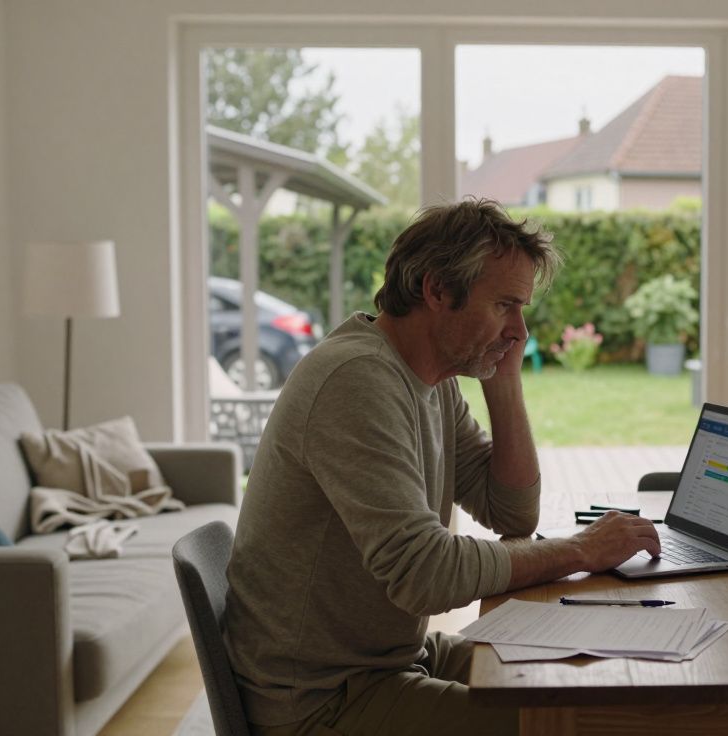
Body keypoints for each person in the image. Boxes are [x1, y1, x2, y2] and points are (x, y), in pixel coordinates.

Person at [224, 198, 662, 736]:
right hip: (322, 699)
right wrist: (579, 550)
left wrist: (505, 381)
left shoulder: (432, 381)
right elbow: (424, 575)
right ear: (436, 290)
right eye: (505, 306)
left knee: (583, 670)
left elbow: (511, 511)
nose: (519, 331)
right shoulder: (356, 380)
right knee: (559, 723)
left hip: (388, 659)